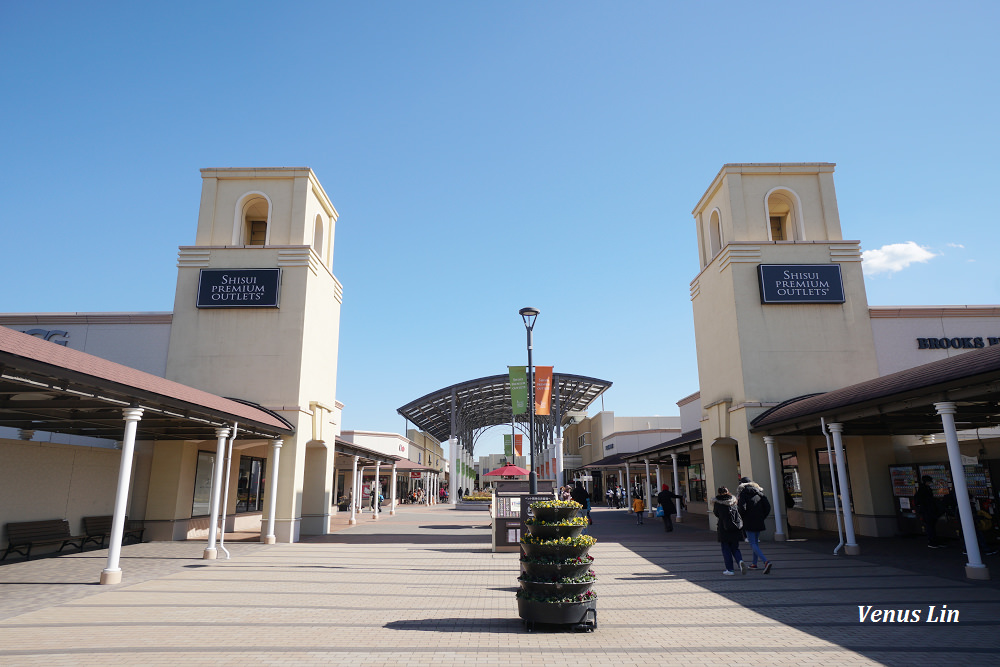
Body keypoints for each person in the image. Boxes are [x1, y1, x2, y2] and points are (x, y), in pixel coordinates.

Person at [736, 477, 772, 573]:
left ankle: (766, 561)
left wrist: (741, 518)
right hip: (759, 521)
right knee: (755, 543)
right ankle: (754, 563)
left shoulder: (743, 493)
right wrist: (762, 517)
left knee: (752, 543)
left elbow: (742, 508)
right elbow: (767, 507)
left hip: (749, 521)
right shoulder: (759, 493)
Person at [713, 486, 747, 575]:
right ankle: (740, 561)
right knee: (735, 548)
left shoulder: (718, 503)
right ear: (728, 491)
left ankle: (730, 569)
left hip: (724, 528)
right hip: (735, 527)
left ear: (719, 492)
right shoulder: (734, 501)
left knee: (726, 549)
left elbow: (716, 513)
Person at [915, 475, 943, 548]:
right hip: (928, 510)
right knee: (930, 526)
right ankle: (932, 541)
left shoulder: (922, 489)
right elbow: (926, 499)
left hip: (927, 510)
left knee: (930, 526)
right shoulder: (924, 489)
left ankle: (933, 541)